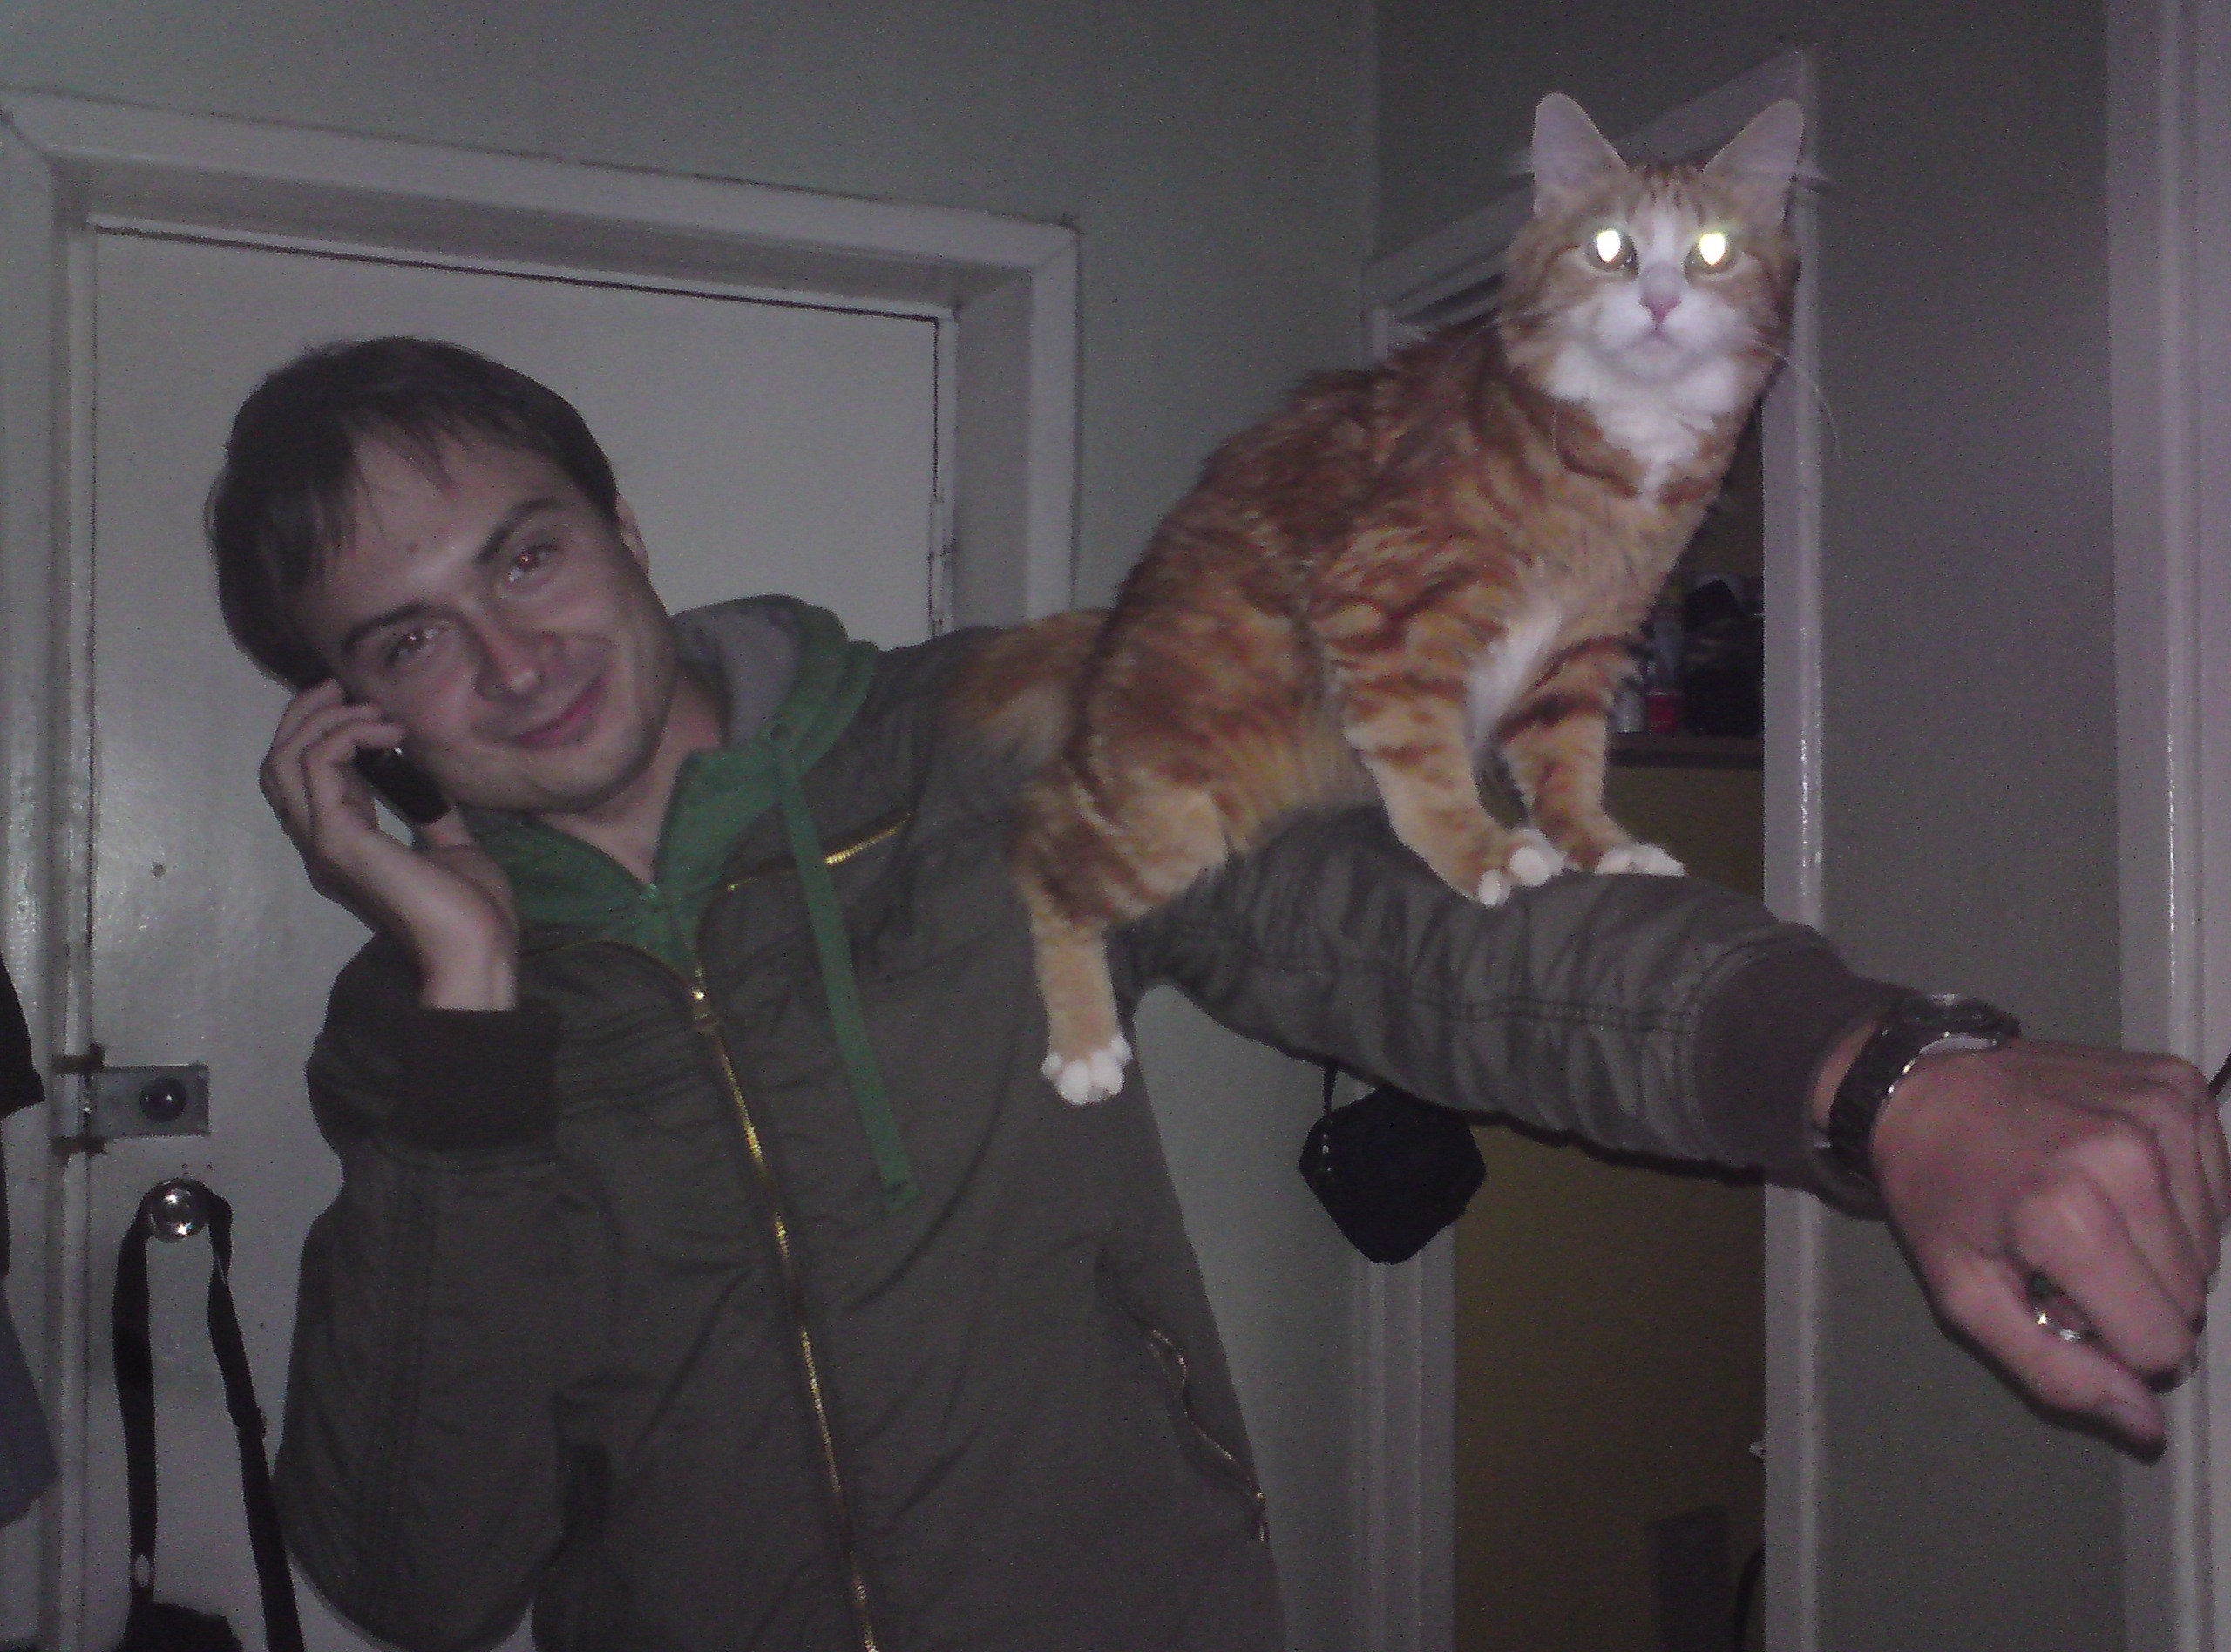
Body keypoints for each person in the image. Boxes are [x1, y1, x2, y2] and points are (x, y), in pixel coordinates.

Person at [213, 337, 2225, 1652]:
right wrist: (467, 1006)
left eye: (525, 557)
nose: (511, 658)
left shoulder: (990, 739)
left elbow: (1432, 938)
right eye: (408, 639)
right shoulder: (419, 1041)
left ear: (623, 531)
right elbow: (419, 1570)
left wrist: (1874, 1076)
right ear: (353, 717)